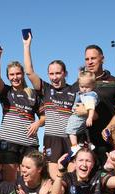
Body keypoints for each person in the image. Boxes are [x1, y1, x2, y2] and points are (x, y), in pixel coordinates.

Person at [22, 33, 77, 179]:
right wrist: (27, 46)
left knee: (72, 178)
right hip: (52, 138)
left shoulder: (74, 89)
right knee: (55, 179)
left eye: (58, 73)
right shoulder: (45, 89)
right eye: (51, 74)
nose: (54, 77)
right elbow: (29, 71)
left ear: (65, 73)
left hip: (70, 138)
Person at [0, 40, 41, 181]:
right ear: (8, 77)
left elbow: (44, 116)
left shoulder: (32, 93)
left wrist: (38, 123)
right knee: (10, 183)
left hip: (30, 144)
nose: (15, 77)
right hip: (9, 143)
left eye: (18, 74)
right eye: (11, 75)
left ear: (23, 74)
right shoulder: (5, 92)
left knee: (31, 182)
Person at [78, 45, 115, 166]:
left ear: (102, 59)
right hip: (87, 143)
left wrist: (111, 129)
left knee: (112, 180)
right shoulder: (79, 83)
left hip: (109, 142)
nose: (90, 62)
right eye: (87, 59)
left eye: (93, 58)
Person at [66, 71, 98, 155]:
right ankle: (88, 143)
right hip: (81, 116)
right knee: (83, 131)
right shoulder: (83, 93)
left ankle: (74, 146)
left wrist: (90, 117)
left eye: (87, 87)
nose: (84, 89)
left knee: (71, 130)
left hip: (79, 117)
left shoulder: (89, 95)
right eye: (81, 86)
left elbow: (91, 107)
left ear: (93, 85)